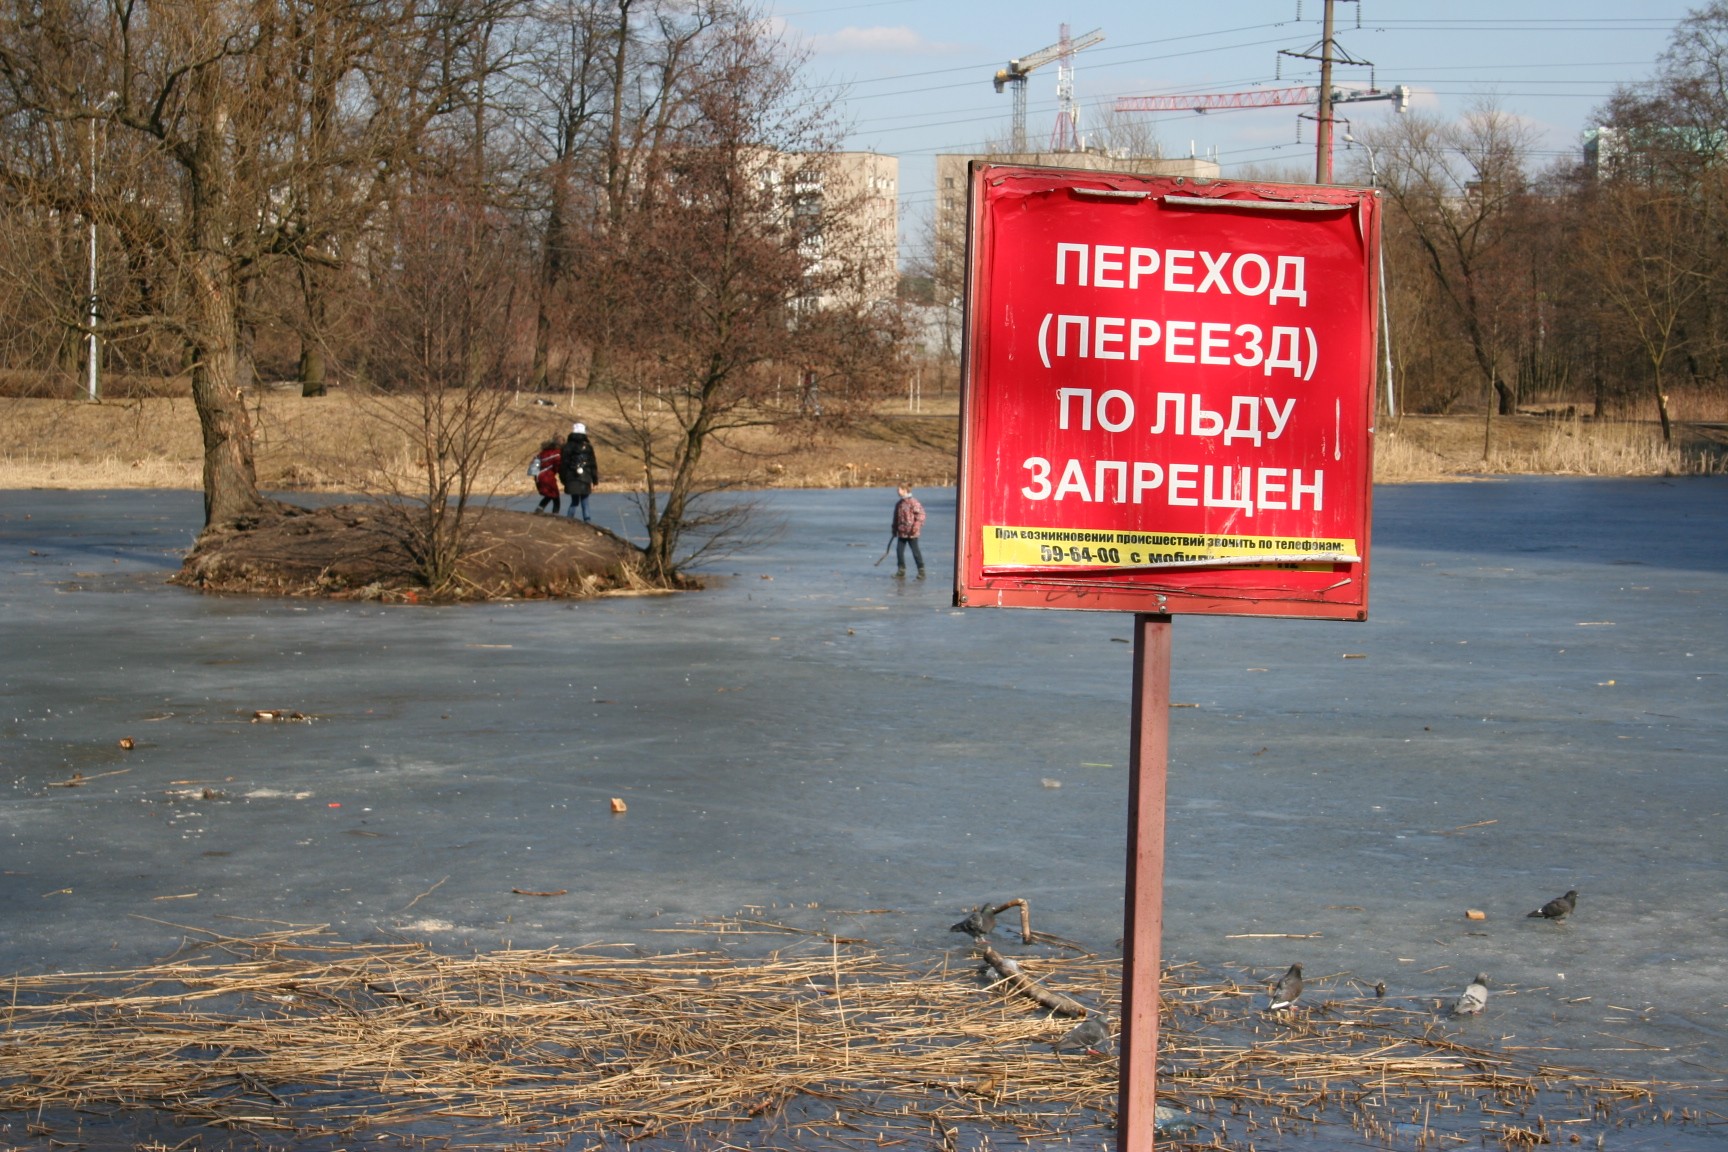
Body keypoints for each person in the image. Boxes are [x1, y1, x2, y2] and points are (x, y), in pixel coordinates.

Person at [558, 422, 600, 522]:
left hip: (571, 478)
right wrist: (595, 480)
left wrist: (563, 479)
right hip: (585, 478)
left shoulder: (567, 447)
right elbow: (593, 465)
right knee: (585, 502)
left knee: (574, 501)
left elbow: (563, 465)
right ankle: (587, 521)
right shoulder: (588, 447)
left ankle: (568, 519)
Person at [891, 485, 926, 579]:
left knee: (915, 552)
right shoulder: (900, 503)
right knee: (899, 551)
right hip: (902, 532)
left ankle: (921, 571)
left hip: (912, 533)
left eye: (899, 489)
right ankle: (901, 570)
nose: (898, 491)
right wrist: (894, 529)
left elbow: (921, 515)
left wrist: (916, 526)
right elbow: (896, 518)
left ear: (905, 490)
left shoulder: (913, 502)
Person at [529, 438, 562, 514]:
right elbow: (558, 466)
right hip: (548, 477)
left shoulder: (541, 454)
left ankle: (539, 509)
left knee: (549, 495)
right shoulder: (557, 454)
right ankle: (555, 514)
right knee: (555, 497)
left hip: (538, 477)